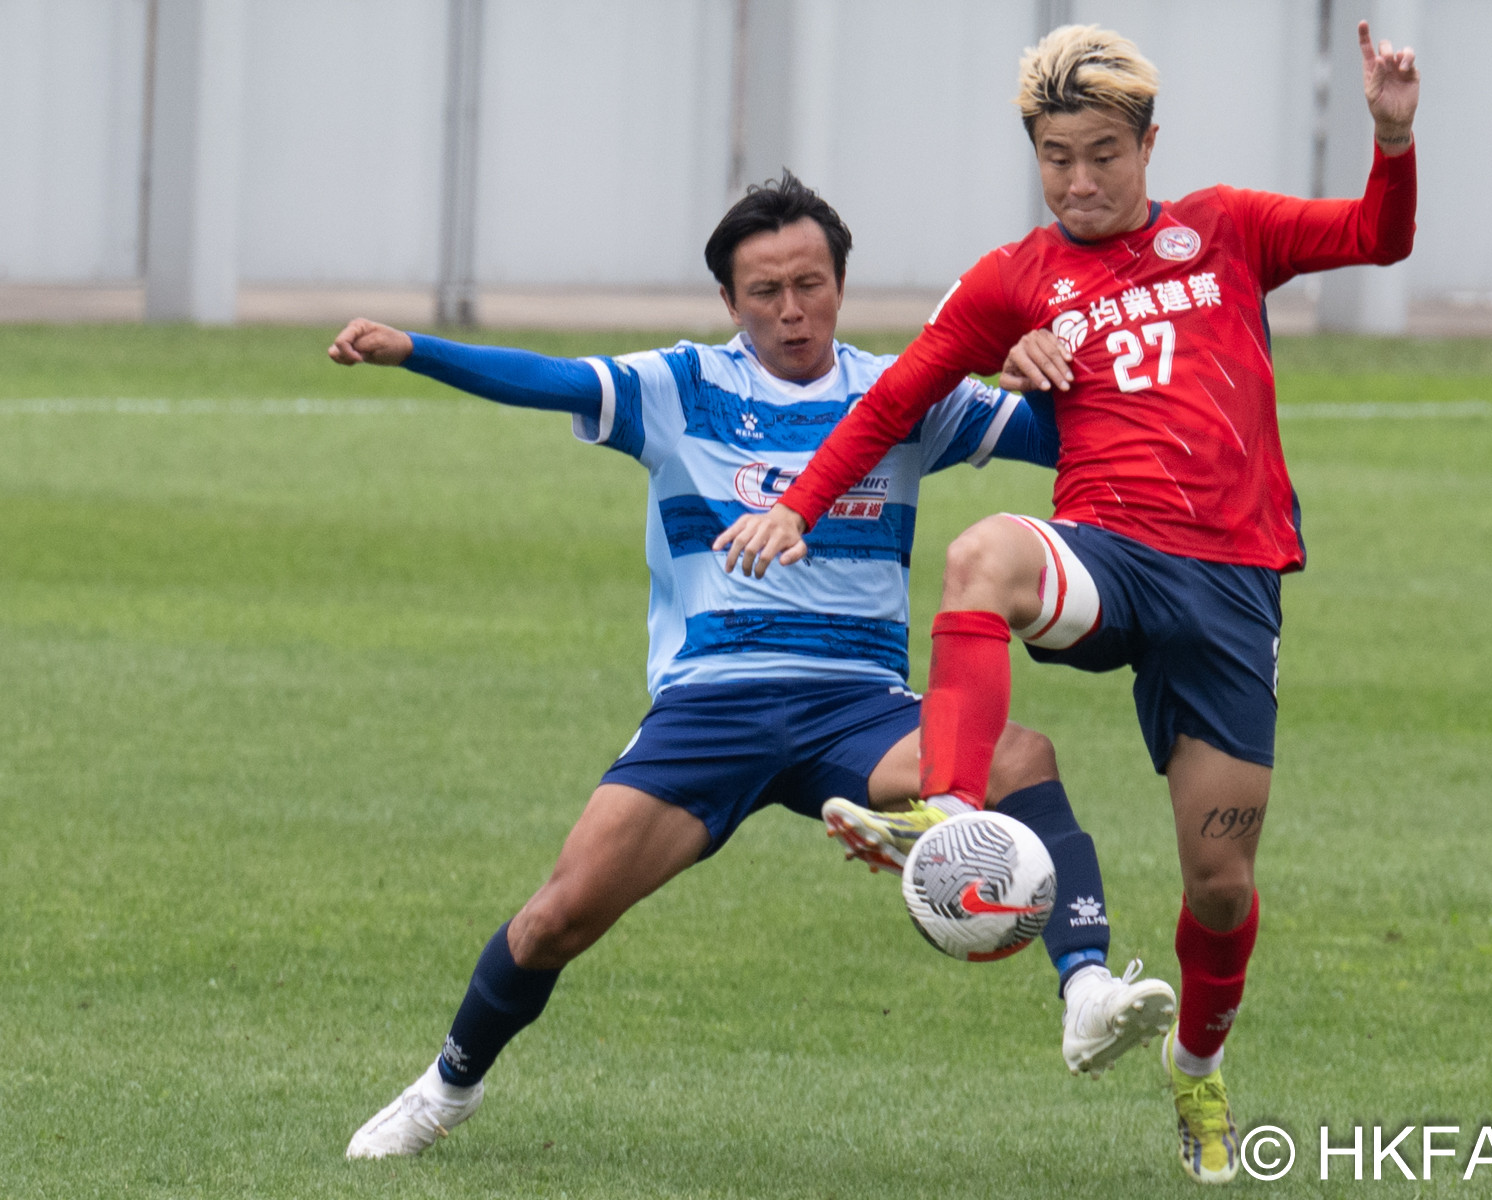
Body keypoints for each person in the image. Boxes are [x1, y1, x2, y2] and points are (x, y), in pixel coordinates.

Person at [329, 172, 1175, 1160]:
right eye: (765, 291)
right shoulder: (678, 386)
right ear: (730, 300)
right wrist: (412, 349)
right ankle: (448, 1087)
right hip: (712, 707)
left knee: (1022, 756)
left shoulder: (905, 393)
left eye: (810, 285)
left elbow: (1077, 435)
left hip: (858, 710)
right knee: (556, 919)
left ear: (840, 285)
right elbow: (547, 378)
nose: (791, 310)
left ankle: (1086, 990)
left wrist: (1045, 361)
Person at [715, 24, 1419, 1186]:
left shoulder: (1229, 229)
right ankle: (947, 809)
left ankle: (1198, 1066)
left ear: (1149, 145)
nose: (1079, 181)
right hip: (1105, 556)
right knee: (985, 553)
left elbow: (1377, 238)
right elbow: (894, 401)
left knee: (1221, 886)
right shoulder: (1014, 280)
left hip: (1229, 590)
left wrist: (1390, 136)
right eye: (1055, 157)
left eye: (1102, 155)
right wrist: (800, 504)